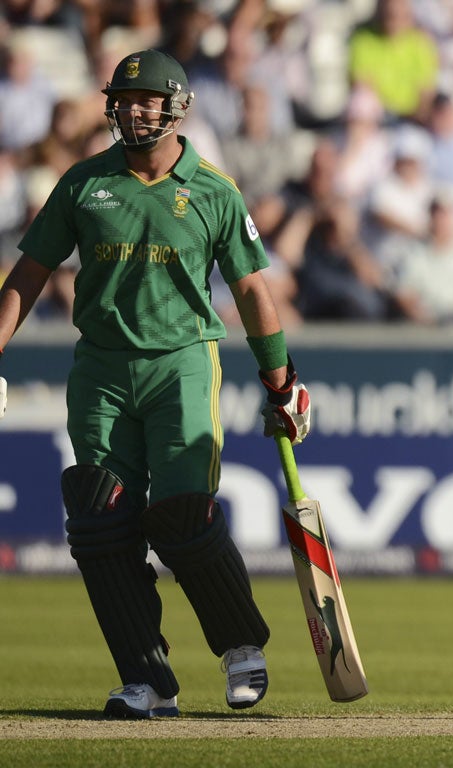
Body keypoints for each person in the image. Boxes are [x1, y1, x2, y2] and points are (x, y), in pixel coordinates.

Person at [0, 50, 311, 718]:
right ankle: (146, 679)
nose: (135, 110)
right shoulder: (84, 183)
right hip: (102, 370)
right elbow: (28, 275)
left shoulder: (214, 190)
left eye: (149, 99)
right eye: (125, 98)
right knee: (100, 519)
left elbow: (253, 289)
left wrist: (282, 381)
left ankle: (240, 649)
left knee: (181, 513)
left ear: (177, 107)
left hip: (182, 363)